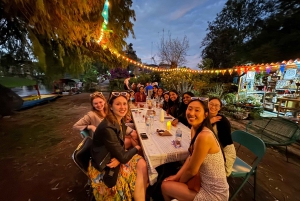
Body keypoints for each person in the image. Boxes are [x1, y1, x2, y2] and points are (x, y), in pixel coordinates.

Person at [161, 99, 229, 201]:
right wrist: (176, 176)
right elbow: (191, 156)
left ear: (205, 115)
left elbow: (192, 171)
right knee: (168, 183)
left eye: (197, 110)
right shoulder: (194, 129)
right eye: (190, 109)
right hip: (201, 182)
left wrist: (179, 181)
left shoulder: (204, 136)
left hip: (214, 194)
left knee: (165, 186)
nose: (192, 113)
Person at [89, 92, 148, 200]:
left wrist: (120, 158)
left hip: (113, 156)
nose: (122, 107)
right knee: (141, 162)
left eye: (125, 104)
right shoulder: (108, 127)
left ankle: (141, 195)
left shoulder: (119, 121)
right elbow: (123, 157)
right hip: (105, 164)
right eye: (118, 104)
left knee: (142, 163)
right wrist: (137, 148)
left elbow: (119, 148)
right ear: (110, 107)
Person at [209, 97, 236, 176]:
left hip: (224, 151)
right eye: (211, 104)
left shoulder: (222, 121)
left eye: (216, 105)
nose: (213, 107)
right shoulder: (205, 117)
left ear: (220, 108)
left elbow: (222, 142)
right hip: (213, 148)